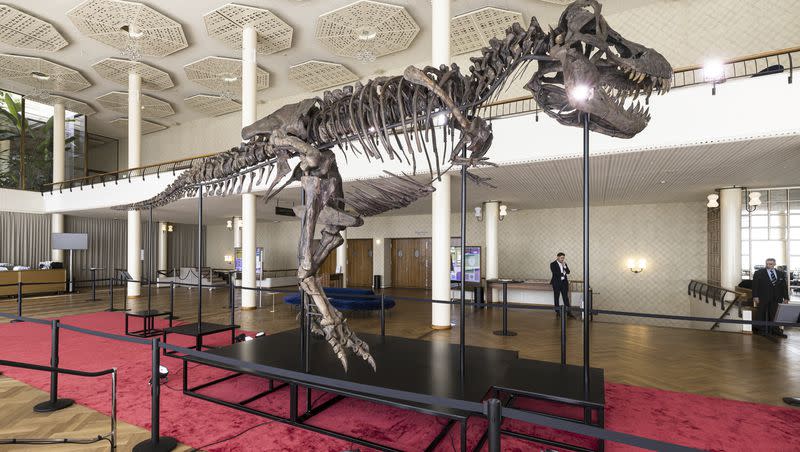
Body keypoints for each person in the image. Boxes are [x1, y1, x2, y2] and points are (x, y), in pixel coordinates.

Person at [752, 258, 789, 338]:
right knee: (761, 314)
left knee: (775, 315)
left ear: (774, 264)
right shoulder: (758, 273)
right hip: (763, 297)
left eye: (771, 264)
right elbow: (755, 286)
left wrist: (786, 297)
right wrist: (755, 296)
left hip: (777, 298)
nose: (769, 265)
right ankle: (762, 330)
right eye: (767, 264)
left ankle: (775, 330)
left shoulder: (780, 273)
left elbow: (784, 287)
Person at [550, 252, 574, 318]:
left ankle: (569, 312)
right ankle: (557, 312)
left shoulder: (564, 263)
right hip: (556, 283)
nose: (562, 259)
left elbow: (568, 272)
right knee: (556, 297)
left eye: (563, 258)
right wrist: (563, 273)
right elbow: (555, 273)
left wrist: (564, 266)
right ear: (557, 257)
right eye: (561, 258)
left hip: (564, 283)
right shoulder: (553, 264)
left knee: (565, 297)